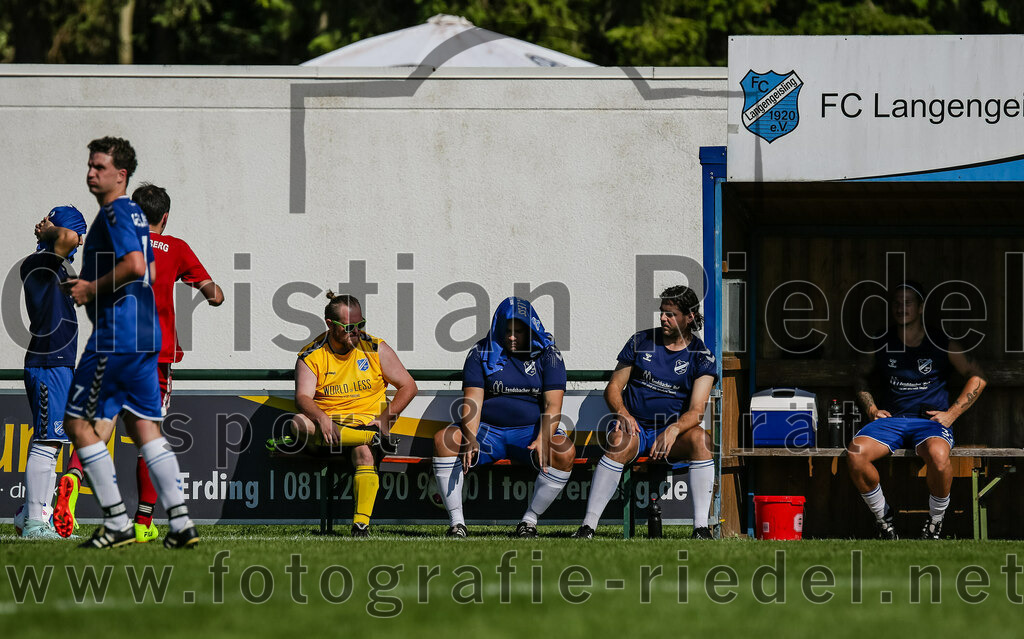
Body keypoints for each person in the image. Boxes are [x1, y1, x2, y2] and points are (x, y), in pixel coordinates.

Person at [63, 136, 198, 549]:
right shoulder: (137, 216)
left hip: (116, 337)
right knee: (143, 426)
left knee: (77, 424)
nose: (90, 172)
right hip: (145, 339)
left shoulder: (118, 212)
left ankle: (117, 521)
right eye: (89, 165)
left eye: (99, 167)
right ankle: (181, 522)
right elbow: (152, 274)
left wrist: (90, 290)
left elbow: (137, 266)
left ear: (121, 175)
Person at [107, 182, 222, 543]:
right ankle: (143, 520)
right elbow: (215, 296)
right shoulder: (175, 247)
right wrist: (206, 288)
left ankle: (74, 479)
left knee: (101, 423)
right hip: (156, 355)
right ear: (165, 217)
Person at [573, 285, 718, 539]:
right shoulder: (641, 341)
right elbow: (614, 388)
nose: (663, 317)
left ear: (690, 317)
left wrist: (673, 429)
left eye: (671, 314)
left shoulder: (702, 356)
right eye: (662, 312)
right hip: (635, 428)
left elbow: (697, 410)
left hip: (670, 434)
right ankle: (588, 527)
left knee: (702, 440)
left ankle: (701, 529)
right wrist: (622, 413)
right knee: (618, 441)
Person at [848, 281, 987, 540]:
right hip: (892, 421)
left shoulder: (941, 341)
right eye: (897, 303)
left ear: (921, 307)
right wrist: (872, 409)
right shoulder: (881, 341)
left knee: (938, 456)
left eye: (908, 302)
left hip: (929, 422)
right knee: (856, 454)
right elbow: (860, 378)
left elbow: (977, 377)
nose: (902, 308)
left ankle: (935, 522)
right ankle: (884, 519)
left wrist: (952, 414)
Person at [432, 297, 575, 538]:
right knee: (443, 440)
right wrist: (469, 437)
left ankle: (529, 521)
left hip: (529, 432)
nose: (511, 337)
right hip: (488, 431)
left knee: (564, 452)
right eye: (506, 330)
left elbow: (553, 405)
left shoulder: (549, 355)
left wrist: (543, 438)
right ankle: (457, 524)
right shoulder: (480, 352)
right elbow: (473, 402)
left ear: (531, 328)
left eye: (518, 330)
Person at [281, 292, 417, 537]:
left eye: (360, 324)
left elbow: (409, 386)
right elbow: (302, 398)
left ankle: (360, 526)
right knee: (298, 423)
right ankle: (370, 438)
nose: (356, 331)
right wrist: (322, 418)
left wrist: (385, 420)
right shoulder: (311, 355)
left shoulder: (375, 347)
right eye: (349, 327)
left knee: (363, 452)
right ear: (330, 325)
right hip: (328, 430)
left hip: (367, 424)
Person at [19, 206, 88, 538]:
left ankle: (31, 514)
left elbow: (70, 238)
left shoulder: (55, 264)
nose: (79, 244)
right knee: (47, 442)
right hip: (48, 363)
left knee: (54, 440)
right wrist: (49, 229)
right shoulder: (41, 262)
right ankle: (34, 521)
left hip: (58, 363)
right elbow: (68, 236)